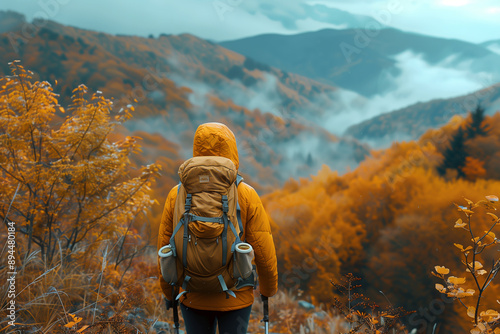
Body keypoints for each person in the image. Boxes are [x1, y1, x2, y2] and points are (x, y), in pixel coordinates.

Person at [157, 122, 278, 334]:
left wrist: (169, 292)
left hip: (192, 293)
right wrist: (268, 290)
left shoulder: (176, 194)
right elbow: (263, 247)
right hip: (236, 295)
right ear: (232, 149)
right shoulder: (246, 193)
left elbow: (165, 245)